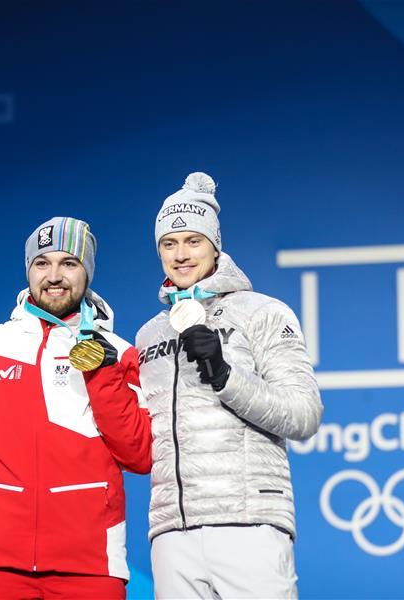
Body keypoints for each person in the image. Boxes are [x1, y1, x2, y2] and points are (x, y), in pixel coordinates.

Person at [136, 173, 323, 599]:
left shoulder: (263, 313)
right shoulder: (147, 335)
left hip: (249, 521)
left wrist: (224, 374)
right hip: (172, 532)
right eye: (169, 243)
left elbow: (303, 414)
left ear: (215, 245)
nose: (181, 255)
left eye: (193, 241)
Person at [0, 216, 152, 599]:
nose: (54, 275)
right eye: (42, 263)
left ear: (87, 272)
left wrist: (103, 374)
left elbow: (140, 454)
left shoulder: (119, 353)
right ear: (28, 271)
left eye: (69, 263)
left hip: (90, 564)